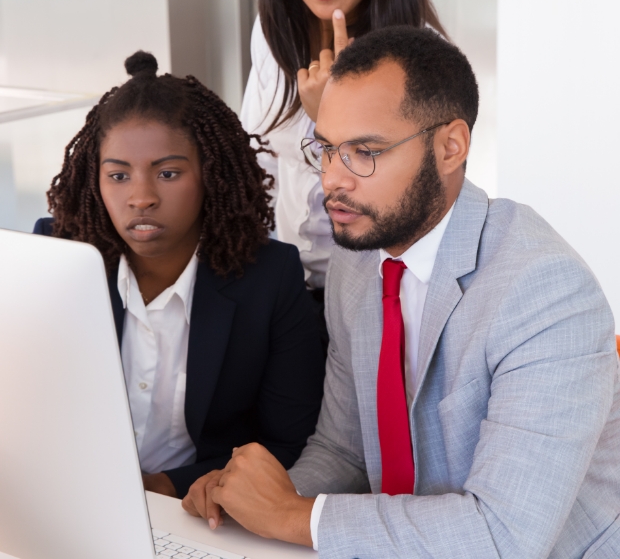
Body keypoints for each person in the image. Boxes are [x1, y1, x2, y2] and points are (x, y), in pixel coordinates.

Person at [183, 27, 620, 558]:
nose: (332, 181)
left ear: (450, 147)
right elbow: (344, 450)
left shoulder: (544, 291)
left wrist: (294, 515)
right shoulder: (360, 256)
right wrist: (252, 500)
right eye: (325, 149)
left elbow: (503, 537)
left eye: (365, 151)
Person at [33, 51, 325, 500]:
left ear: (211, 175)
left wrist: (168, 487)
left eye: (168, 173)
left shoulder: (269, 280)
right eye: (118, 175)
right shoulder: (57, 256)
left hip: (191, 513)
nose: (141, 197)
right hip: (60, 497)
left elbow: (289, 442)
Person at [240, 0, 446, 306]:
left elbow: (400, 221)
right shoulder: (274, 36)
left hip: (369, 301)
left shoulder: (421, 61)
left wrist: (327, 122)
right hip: (277, 293)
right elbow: (255, 165)